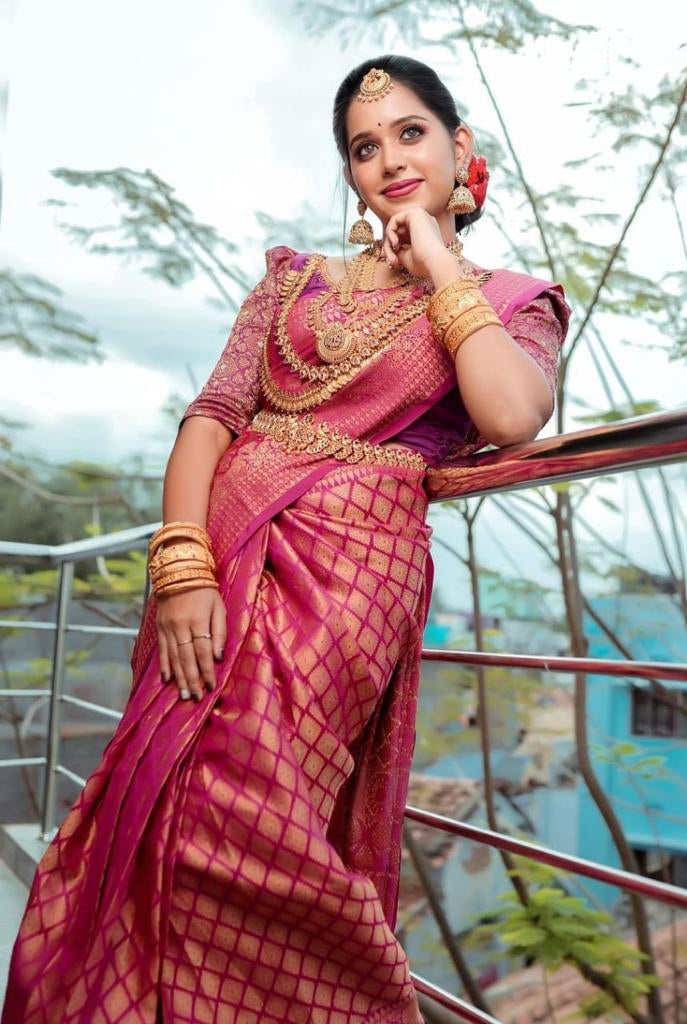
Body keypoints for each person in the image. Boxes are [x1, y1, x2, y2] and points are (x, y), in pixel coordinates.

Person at [2, 54, 570, 1024]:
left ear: (459, 145)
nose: (387, 157)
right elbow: (214, 416)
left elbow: (513, 413)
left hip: (349, 581)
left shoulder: (514, 301)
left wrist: (438, 257)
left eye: (409, 132)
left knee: (246, 806)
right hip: (219, 558)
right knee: (162, 806)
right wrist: (182, 566)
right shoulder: (291, 279)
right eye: (363, 145)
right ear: (347, 172)